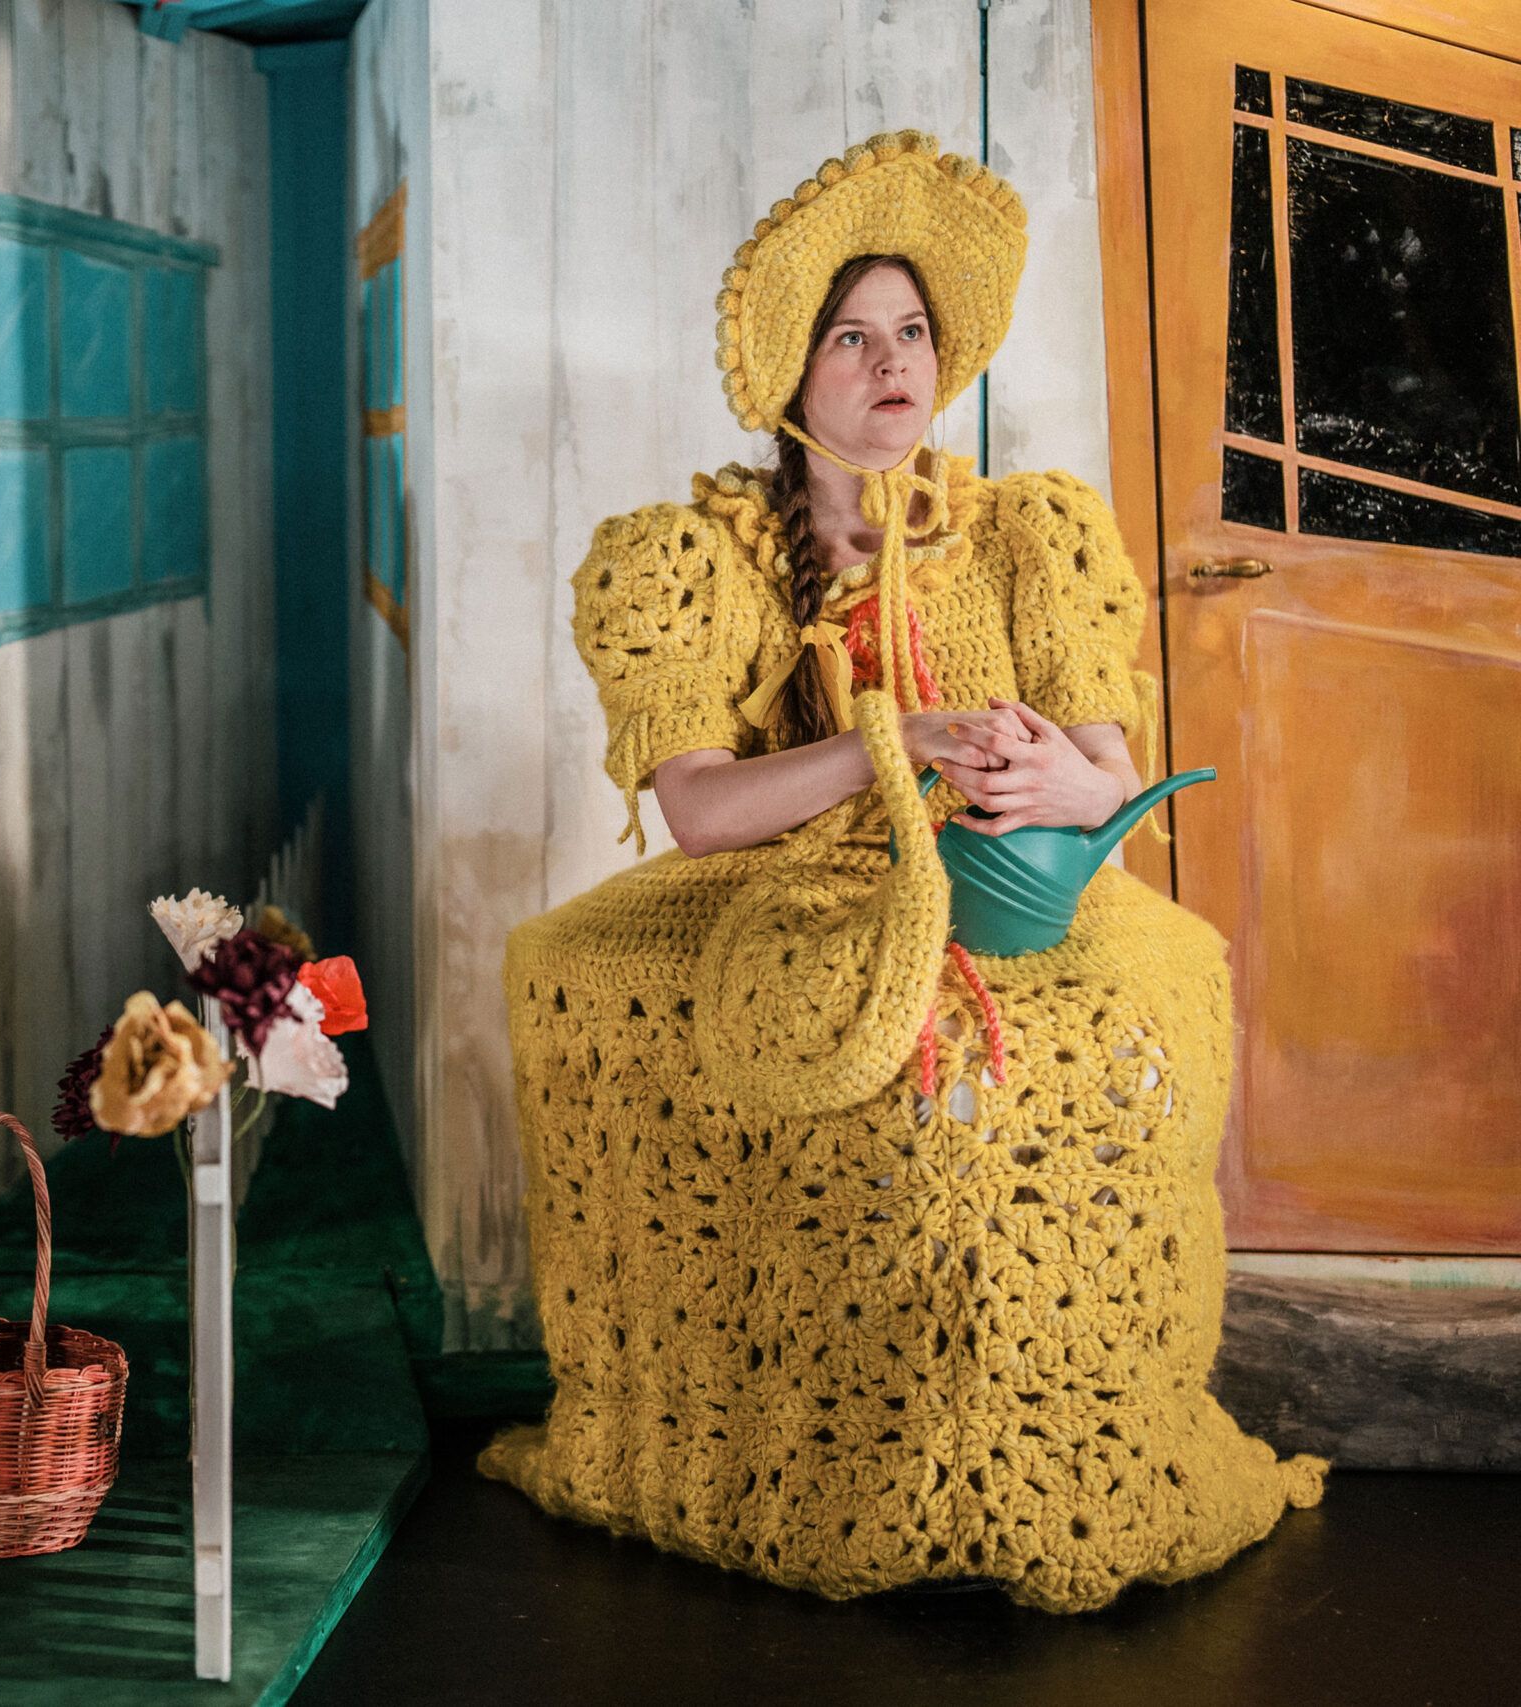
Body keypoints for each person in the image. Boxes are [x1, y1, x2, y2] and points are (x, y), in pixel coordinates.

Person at [482, 131, 1325, 1613]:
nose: (893, 363)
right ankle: (830, 1448)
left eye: (914, 332)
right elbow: (700, 811)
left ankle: (1063, 1434)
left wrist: (1053, 781)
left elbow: (1114, 776)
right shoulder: (700, 559)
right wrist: (897, 744)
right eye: (854, 338)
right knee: (815, 1067)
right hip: (792, 892)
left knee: (1137, 1002)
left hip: (1009, 881)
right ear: (795, 379)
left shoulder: (1027, 533)